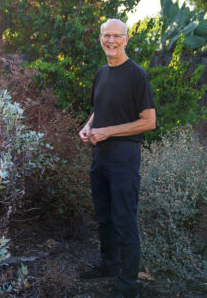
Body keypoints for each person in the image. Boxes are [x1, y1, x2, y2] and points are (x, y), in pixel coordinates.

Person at [78, 19, 156, 298]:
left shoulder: (136, 75)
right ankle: (108, 266)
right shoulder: (101, 73)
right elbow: (99, 109)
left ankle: (127, 286)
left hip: (124, 157)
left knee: (124, 220)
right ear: (100, 38)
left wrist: (108, 132)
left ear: (126, 39)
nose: (111, 41)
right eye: (106, 36)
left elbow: (149, 121)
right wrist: (89, 126)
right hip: (100, 155)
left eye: (116, 36)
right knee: (104, 217)